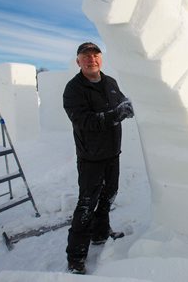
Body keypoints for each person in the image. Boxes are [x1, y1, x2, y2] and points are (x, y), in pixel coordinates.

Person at [63, 42, 134, 274]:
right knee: (86, 205)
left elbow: (123, 101)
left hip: (113, 153)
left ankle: (101, 234)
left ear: (101, 59)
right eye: (86, 56)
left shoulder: (110, 82)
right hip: (90, 158)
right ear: (78, 61)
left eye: (95, 55)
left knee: (108, 196)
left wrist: (129, 106)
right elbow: (84, 121)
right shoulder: (74, 89)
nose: (91, 59)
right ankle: (75, 257)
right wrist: (116, 115)